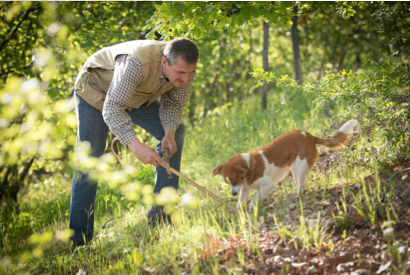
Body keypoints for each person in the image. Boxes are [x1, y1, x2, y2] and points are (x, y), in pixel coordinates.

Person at [69, 38, 198, 248]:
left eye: (190, 73)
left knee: (178, 130)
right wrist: (135, 145)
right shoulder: (135, 63)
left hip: (134, 96)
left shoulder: (184, 69)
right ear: (164, 62)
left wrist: (169, 132)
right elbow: (112, 109)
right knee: (89, 164)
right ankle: (80, 241)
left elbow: (174, 105)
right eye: (181, 74)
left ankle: (162, 217)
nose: (186, 79)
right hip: (95, 91)